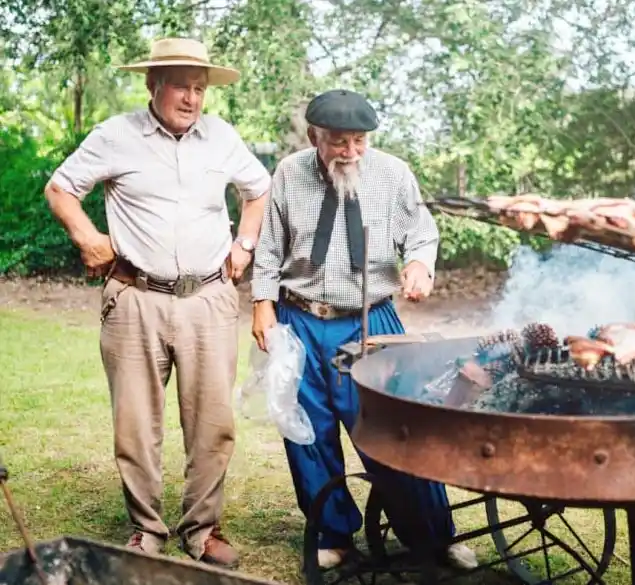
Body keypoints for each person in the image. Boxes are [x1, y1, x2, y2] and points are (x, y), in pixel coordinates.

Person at [43, 37, 272, 570]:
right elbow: (61, 190)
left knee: (213, 420)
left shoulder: (221, 137)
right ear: (153, 85)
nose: (192, 98)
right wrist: (88, 238)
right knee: (135, 422)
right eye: (181, 86)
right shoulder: (115, 136)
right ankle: (146, 529)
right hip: (135, 298)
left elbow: (257, 190)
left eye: (199, 88)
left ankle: (203, 529)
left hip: (209, 298)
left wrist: (246, 245)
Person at [250, 89, 477, 570]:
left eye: (359, 141)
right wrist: (262, 306)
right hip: (301, 319)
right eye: (339, 142)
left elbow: (421, 231)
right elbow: (269, 248)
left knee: (396, 428)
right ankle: (334, 536)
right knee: (307, 432)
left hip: (372, 320)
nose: (350, 152)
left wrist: (418, 265)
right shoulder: (290, 173)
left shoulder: (392, 174)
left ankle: (435, 537)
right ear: (315, 136)